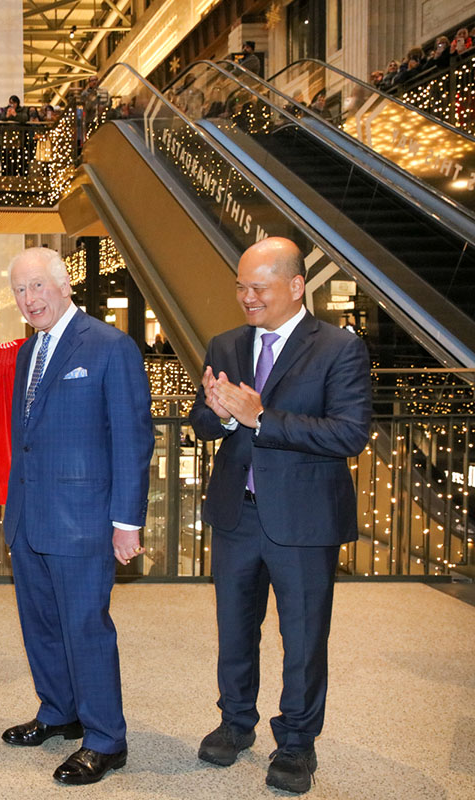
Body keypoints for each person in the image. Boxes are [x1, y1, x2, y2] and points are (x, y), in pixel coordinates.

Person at [189, 237, 371, 794]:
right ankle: (235, 722)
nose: (246, 297)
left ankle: (296, 744)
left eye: (258, 287)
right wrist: (219, 417)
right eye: (241, 286)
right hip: (236, 515)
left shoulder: (339, 348)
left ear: (296, 286)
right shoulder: (224, 344)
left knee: (304, 637)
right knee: (234, 631)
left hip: (304, 519)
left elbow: (349, 433)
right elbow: (202, 420)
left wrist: (262, 418)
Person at [0, 247, 153, 786]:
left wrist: (127, 520)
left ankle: (107, 739)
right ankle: (58, 712)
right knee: (40, 626)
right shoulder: (26, 353)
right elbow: (28, 440)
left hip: (85, 519)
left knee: (86, 629)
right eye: (20, 290)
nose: (29, 299)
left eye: (38, 286)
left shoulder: (111, 347)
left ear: (65, 286)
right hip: (30, 515)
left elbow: (134, 439)